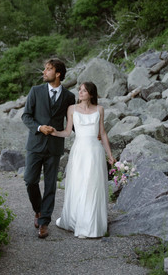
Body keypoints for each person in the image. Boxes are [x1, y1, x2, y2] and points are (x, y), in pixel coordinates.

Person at [52, 81, 116, 238]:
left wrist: (110, 155)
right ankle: (77, 220)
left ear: (91, 94)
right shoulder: (72, 109)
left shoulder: (99, 109)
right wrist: (54, 132)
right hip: (79, 151)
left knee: (92, 186)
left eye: (84, 91)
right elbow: (68, 132)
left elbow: (103, 133)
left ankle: (91, 224)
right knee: (79, 184)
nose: (80, 93)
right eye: (79, 90)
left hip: (95, 152)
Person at [22, 58, 76, 239]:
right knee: (30, 180)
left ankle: (44, 222)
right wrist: (39, 127)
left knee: (51, 185)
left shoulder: (69, 97)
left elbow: (72, 123)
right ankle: (38, 210)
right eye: (45, 69)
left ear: (58, 73)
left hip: (54, 147)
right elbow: (26, 116)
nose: (44, 72)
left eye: (48, 69)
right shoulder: (35, 91)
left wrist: (91, 132)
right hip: (35, 145)